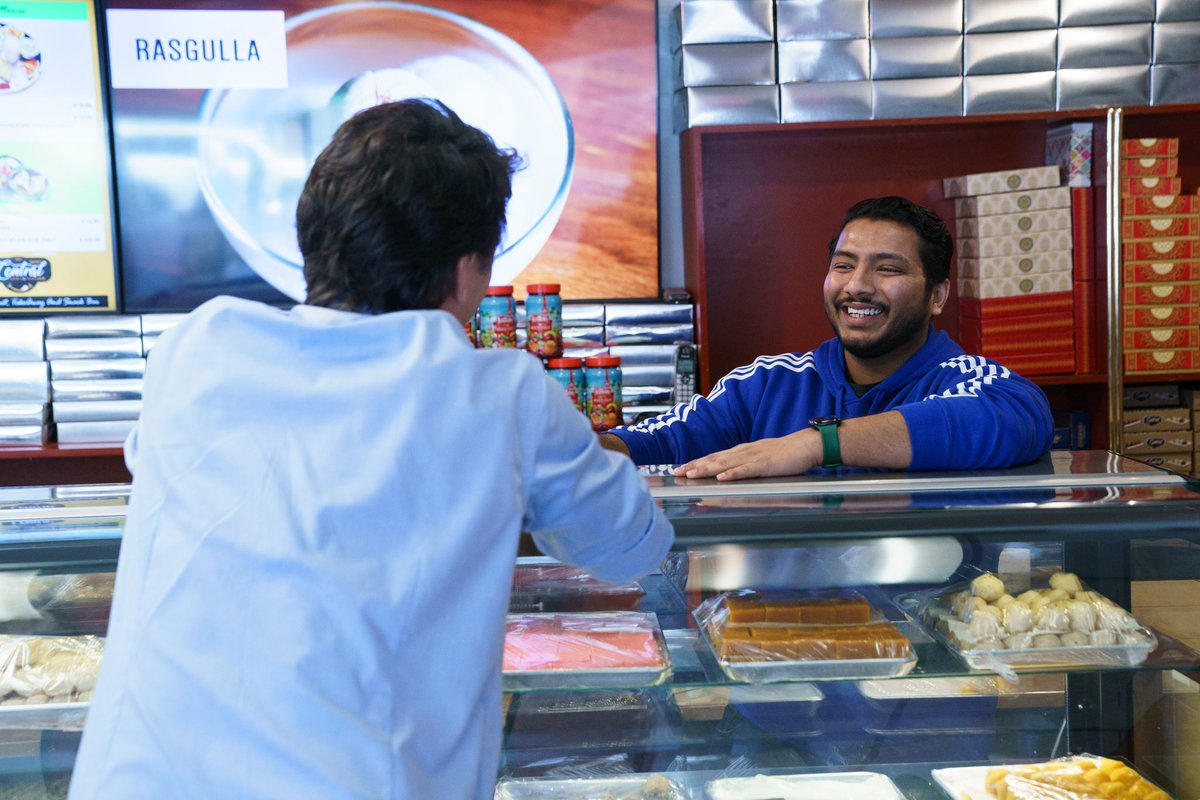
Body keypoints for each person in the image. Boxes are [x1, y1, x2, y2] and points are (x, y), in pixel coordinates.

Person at [68, 100, 673, 799]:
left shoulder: (196, 349)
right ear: (470, 267)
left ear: (311, 240)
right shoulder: (501, 395)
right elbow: (634, 547)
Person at [601, 196, 1054, 480]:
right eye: (844, 265)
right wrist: (565, 446)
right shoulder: (766, 385)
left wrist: (816, 444)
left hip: (930, 623)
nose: (857, 285)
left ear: (937, 296)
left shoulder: (968, 381)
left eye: (888, 268)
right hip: (784, 627)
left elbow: (1018, 420)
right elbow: (654, 446)